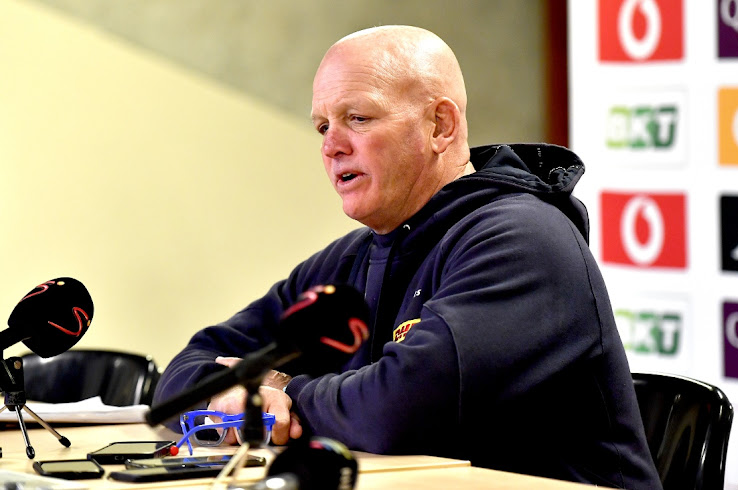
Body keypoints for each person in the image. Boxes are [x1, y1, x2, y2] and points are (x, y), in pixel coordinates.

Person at [153, 25, 662, 488]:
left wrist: (282, 391)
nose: (331, 146)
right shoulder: (351, 259)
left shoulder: (524, 241)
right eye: (322, 127)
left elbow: (396, 413)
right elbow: (181, 378)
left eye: (357, 117)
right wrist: (233, 398)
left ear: (441, 125)